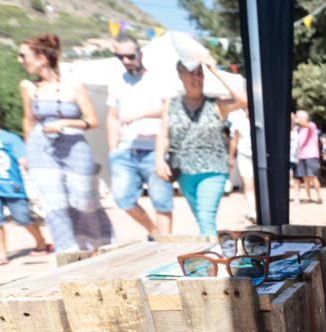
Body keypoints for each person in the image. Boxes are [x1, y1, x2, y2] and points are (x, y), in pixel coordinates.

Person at [18, 34, 112, 253]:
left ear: (41, 58)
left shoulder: (74, 88)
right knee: (54, 204)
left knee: (83, 202)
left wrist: (64, 122)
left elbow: (93, 121)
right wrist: (27, 153)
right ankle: (67, 252)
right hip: (41, 150)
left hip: (75, 148)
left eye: (24, 55)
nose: (20, 60)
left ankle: (97, 247)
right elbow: (28, 121)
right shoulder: (28, 87)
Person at [155, 54, 247, 236]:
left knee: (206, 217)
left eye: (200, 73)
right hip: (183, 171)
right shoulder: (171, 105)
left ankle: (212, 260)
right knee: (201, 218)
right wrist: (159, 160)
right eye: (191, 73)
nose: (196, 78)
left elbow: (243, 101)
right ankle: (213, 256)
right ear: (180, 75)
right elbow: (164, 136)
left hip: (213, 170)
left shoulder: (216, 104)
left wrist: (215, 70)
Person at [106, 34, 174, 237]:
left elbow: (169, 109)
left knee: (161, 200)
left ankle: (165, 247)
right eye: (120, 57)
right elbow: (113, 116)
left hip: (155, 148)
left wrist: (140, 114)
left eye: (130, 56)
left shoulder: (157, 78)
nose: (126, 61)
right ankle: (153, 232)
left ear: (140, 54)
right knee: (122, 197)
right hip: (126, 149)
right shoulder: (117, 82)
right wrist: (112, 149)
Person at [0, 106, 50, 263]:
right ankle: (2, 254)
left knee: (23, 218)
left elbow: (23, 159)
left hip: (13, 186)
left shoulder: (10, 138)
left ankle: (41, 242)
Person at [227, 108, 255, 223]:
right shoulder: (240, 123)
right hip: (244, 155)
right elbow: (234, 141)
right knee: (248, 184)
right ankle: (253, 210)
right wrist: (231, 157)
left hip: (259, 156)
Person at [294, 110, 321, 203]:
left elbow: (306, 125)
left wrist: (297, 120)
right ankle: (308, 197)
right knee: (305, 178)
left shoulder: (312, 125)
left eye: (298, 117)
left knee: (313, 177)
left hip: (311, 155)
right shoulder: (300, 130)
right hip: (302, 156)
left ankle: (318, 196)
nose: (297, 119)